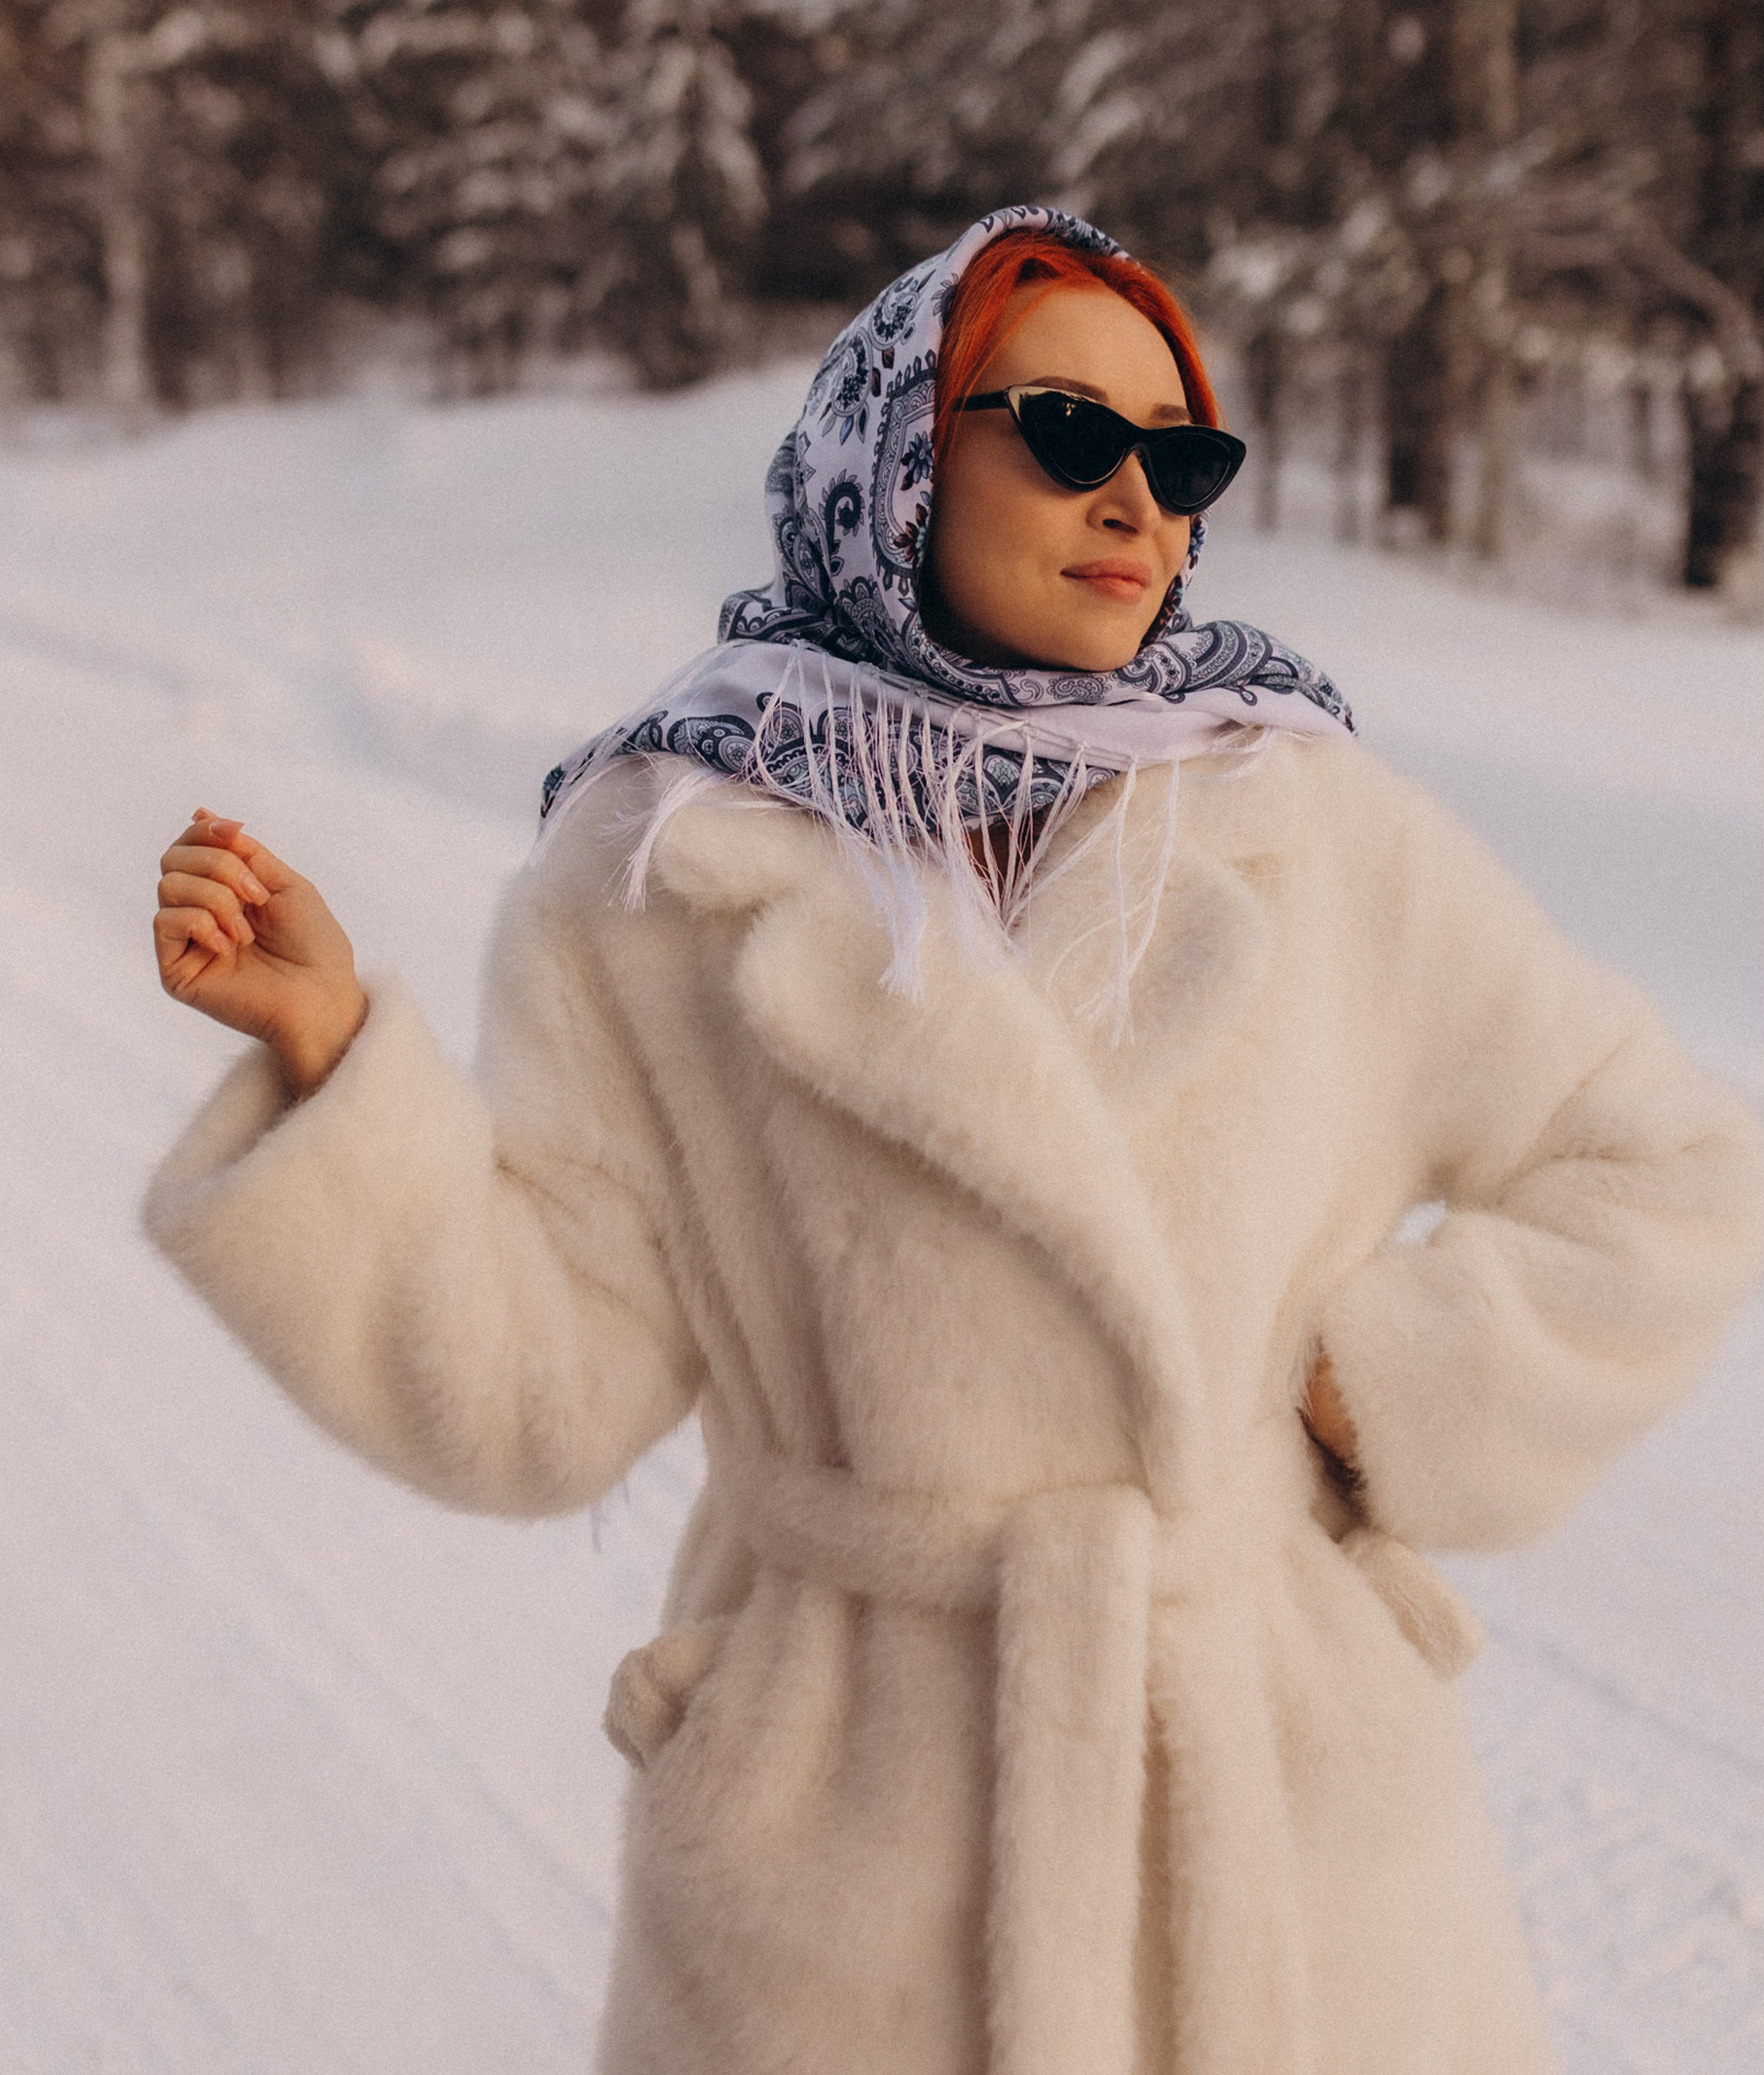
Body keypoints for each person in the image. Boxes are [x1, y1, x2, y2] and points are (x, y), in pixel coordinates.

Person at [145, 204, 1763, 2075]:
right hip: (850, 1868)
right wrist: (336, 1056)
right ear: (901, 447)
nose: (1138, 500)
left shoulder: (1302, 822)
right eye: (1071, 433)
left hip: (1287, 1864)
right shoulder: (665, 868)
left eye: (1183, 456)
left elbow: (1659, 1162)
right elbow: (540, 1390)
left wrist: (1371, 1392)